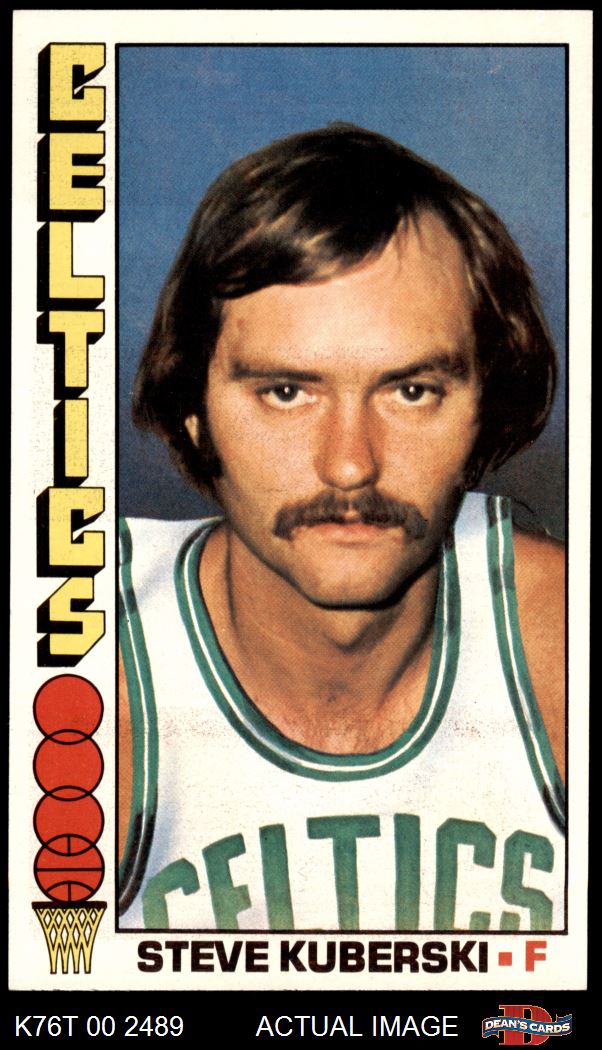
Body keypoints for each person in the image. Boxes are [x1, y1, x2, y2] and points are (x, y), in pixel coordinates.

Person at [118, 124, 565, 933]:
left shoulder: (562, 651)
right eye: (287, 392)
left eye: (412, 391)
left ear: (486, 410)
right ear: (192, 411)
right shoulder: (77, 660)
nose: (351, 465)